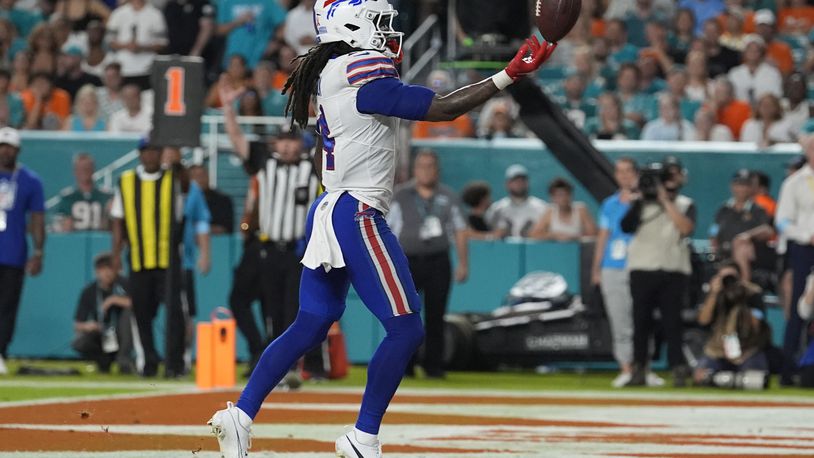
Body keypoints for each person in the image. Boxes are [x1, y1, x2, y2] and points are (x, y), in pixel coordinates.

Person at [207, 0, 557, 456]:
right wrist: (510, 73)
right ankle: (362, 436)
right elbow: (444, 108)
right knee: (407, 329)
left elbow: (322, 152)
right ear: (352, 29)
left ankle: (240, 415)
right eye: (382, 25)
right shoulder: (359, 70)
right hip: (355, 211)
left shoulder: (332, 70)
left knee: (311, 322)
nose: (390, 34)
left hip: (329, 205)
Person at [219, 76, 321, 377]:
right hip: (266, 248)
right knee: (270, 308)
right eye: (283, 141)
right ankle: (267, 356)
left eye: (292, 140)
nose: (288, 146)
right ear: (276, 142)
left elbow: (331, 145)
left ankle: (290, 366)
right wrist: (227, 108)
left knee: (291, 311)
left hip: (297, 250)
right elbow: (238, 141)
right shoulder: (265, 162)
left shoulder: (311, 167)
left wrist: (320, 112)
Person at [387, 150, 469, 378]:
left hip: (438, 261)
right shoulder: (401, 195)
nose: (426, 171)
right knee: (406, 315)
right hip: (407, 262)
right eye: (422, 166)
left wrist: (463, 262)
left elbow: (460, 229)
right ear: (415, 170)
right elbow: (388, 229)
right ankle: (407, 366)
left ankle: (434, 365)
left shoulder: (448, 196)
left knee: (436, 315)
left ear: (438, 170)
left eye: (430, 166)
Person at [110, 138, 185, 378]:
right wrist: (116, 255)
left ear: (161, 152)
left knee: (175, 314)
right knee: (142, 313)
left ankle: (174, 363)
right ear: (140, 154)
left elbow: (186, 187)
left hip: (167, 260)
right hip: (139, 259)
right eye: (146, 152)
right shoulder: (127, 181)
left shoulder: (172, 179)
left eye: (155, 151)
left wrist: (178, 162)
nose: (150, 156)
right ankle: (149, 362)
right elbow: (118, 222)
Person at [591, 158, 665, 388]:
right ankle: (626, 368)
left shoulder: (647, 203)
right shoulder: (610, 204)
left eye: (628, 172)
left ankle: (645, 368)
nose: (623, 176)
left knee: (643, 320)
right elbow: (603, 237)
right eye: (619, 171)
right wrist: (597, 268)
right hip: (614, 266)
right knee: (620, 319)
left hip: (641, 265)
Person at [621, 161, 695, 387]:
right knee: (640, 322)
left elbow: (686, 228)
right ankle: (639, 369)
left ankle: (678, 368)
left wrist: (664, 199)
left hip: (673, 269)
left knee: (673, 323)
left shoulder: (685, 203)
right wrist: (639, 199)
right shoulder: (640, 204)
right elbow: (626, 226)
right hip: (642, 268)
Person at [161, 147, 211, 374]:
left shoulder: (191, 189)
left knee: (185, 311)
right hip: (154, 257)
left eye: (174, 152)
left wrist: (205, 253)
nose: (170, 156)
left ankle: (183, 356)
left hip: (183, 259)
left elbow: (201, 221)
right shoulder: (151, 184)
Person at [0, 127, 45, 376]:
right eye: (2, 147)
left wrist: (39, 251)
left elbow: (38, 218)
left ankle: (1, 351)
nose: (5, 152)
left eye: (9, 147)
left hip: (12, 252)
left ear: (18, 150)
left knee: (7, 306)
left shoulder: (30, 180)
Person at [775, 135, 814, 386]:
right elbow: (782, 220)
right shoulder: (794, 182)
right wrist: (806, 235)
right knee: (798, 308)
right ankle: (788, 369)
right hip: (804, 248)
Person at [694, 261, 771, 386]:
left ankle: (725, 379)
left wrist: (744, 296)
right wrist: (713, 294)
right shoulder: (713, 295)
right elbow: (703, 321)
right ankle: (725, 379)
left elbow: (757, 324)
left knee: (756, 379)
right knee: (700, 376)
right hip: (718, 350)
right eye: (724, 278)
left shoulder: (751, 294)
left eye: (732, 278)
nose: (729, 283)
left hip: (746, 350)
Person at [72, 252, 135, 374]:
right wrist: (89, 326)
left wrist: (114, 300)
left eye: (111, 269)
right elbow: (77, 324)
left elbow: (138, 305)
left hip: (120, 334)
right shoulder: (89, 291)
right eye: (103, 269)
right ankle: (103, 361)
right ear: (97, 271)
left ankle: (124, 359)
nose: (107, 273)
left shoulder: (124, 283)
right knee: (79, 342)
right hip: (102, 334)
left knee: (129, 314)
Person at [709, 169, 774, 283]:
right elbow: (714, 231)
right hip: (724, 254)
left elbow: (767, 230)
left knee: (741, 247)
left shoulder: (758, 210)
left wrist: (747, 236)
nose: (741, 189)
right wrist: (714, 249)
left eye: (745, 185)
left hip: (751, 256)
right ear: (732, 186)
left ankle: (743, 287)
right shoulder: (724, 209)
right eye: (738, 184)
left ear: (751, 188)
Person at [106, 0, 167, 89]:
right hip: (123, 67)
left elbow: (163, 43)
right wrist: (127, 46)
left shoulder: (155, 14)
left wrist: (142, 48)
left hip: (147, 68)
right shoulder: (118, 13)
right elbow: (110, 40)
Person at [215, 0, 286, 69]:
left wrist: (275, 42)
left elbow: (284, 24)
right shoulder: (227, 2)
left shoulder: (267, 2)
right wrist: (237, 22)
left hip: (260, 60)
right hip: (233, 61)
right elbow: (218, 30)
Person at [53, 153, 112, 232]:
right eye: (81, 169)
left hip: (101, 241)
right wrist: (64, 226)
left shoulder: (106, 195)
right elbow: (59, 225)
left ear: (93, 169)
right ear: (75, 171)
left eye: (87, 168)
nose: (84, 172)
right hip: (74, 242)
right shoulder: (68, 197)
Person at [486, 164, 549, 238]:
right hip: (503, 249)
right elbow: (488, 233)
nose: (519, 184)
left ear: (527, 183)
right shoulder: (496, 209)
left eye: (522, 181)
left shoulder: (542, 207)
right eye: (515, 181)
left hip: (534, 249)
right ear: (507, 184)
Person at [530, 177, 597, 241]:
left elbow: (593, 233)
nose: (563, 199)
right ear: (552, 198)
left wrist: (573, 237)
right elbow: (534, 234)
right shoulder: (550, 212)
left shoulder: (581, 209)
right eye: (559, 195)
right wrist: (553, 235)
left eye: (566, 194)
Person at [727, 35, 783, 105]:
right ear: (744, 52)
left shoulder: (773, 73)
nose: (753, 53)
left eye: (756, 50)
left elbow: (776, 96)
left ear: (762, 53)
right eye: (749, 49)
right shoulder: (734, 73)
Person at [189, 164, 234, 234]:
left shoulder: (223, 201)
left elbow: (224, 229)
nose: (200, 179)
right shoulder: (184, 201)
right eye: (196, 176)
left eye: (203, 175)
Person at [708, 76, 751, 140]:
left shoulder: (743, 107)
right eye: (716, 92)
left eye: (721, 92)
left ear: (730, 93)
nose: (718, 95)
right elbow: (705, 130)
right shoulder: (709, 107)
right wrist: (713, 111)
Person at [753, 9, 794, 76]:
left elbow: (787, 73)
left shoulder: (783, 49)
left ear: (773, 28)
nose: (763, 29)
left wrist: (774, 67)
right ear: (755, 28)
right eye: (760, 26)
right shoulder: (749, 48)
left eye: (766, 26)